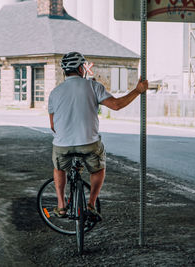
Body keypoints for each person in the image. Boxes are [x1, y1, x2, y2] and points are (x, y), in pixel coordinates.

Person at [48, 51, 148, 221]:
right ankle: (91, 204)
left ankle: (61, 206)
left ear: (65, 71)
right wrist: (137, 91)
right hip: (89, 143)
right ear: (81, 68)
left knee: (59, 168)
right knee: (98, 168)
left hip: (63, 145)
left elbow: (53, 125)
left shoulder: (55, 92)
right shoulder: (93, 86)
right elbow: (116, 105)